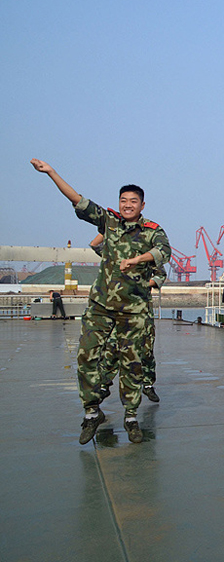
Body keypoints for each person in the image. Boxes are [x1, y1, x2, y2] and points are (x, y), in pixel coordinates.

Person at [31, 158, 170, 445]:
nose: (127, 205)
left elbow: (162, 253)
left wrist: (137, 260)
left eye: (133, 201)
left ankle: (131, 417)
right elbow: (79, 200)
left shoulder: (153, 230)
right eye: (123, 200)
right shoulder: (108, 222)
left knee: (132, 363)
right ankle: (92, 412)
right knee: (87, 358)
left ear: (142, 205)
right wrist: (52, 173)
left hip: (134, 310)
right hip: (101, 306)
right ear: (118, 203)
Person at [90, 233, 166, 404]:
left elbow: (160, 276)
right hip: (118, 308)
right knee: (112, 347)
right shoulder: (116, 253)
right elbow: (95, 245)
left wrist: (141, 284)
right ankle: (105, 384)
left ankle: (147, 385)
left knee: (145, 349)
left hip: (141, 309)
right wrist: (107, 228)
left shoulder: (147, 257)